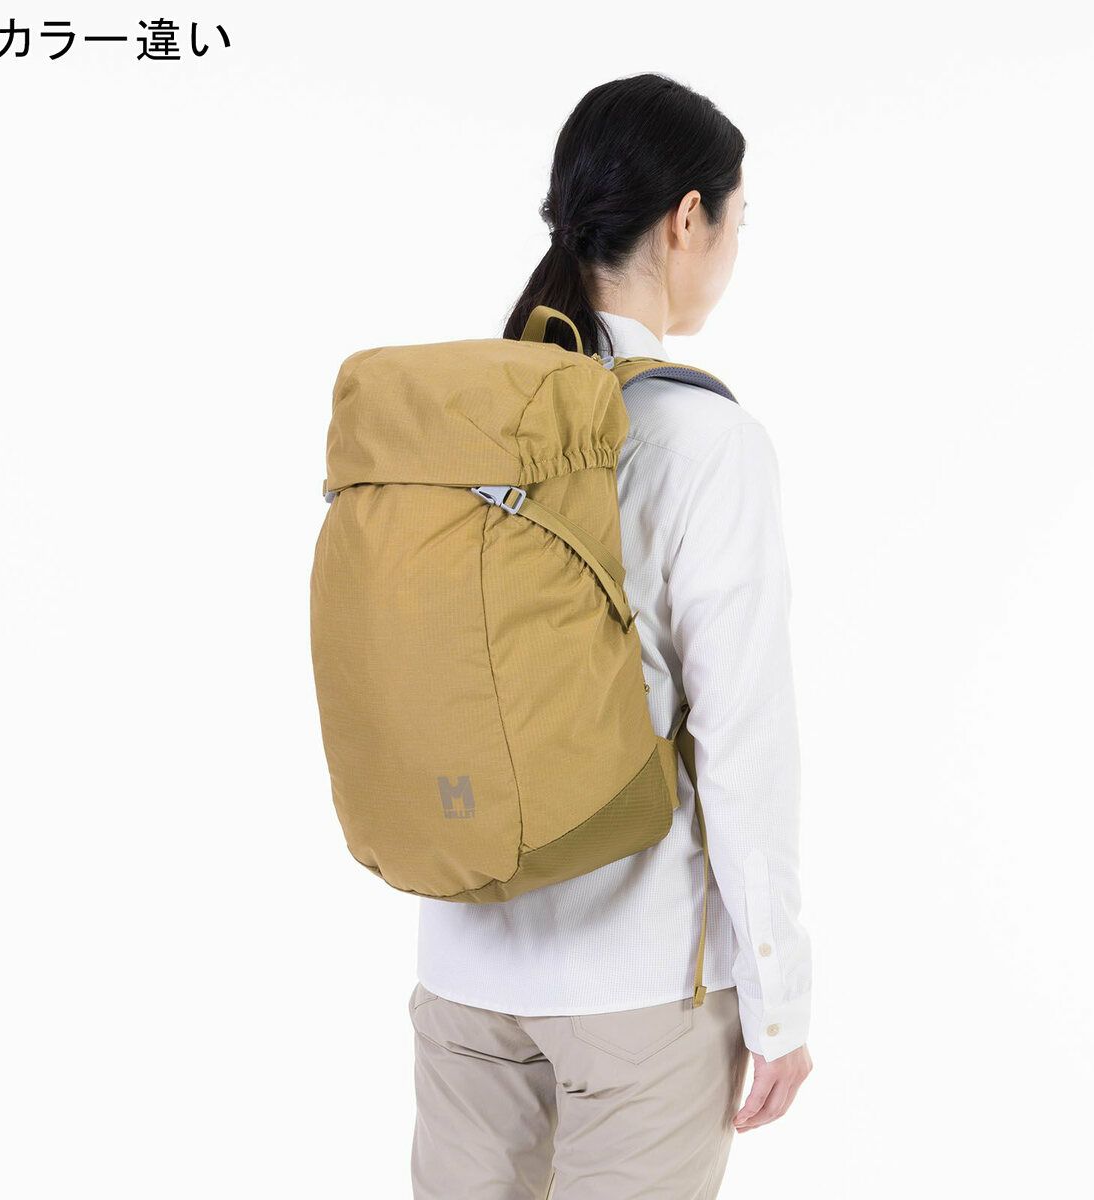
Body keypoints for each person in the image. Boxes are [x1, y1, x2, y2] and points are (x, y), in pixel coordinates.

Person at [409, 73, 813, 1199]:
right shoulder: (706, 440)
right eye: (737, 218)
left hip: (463, 970)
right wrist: (779, 999)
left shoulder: (468, 419)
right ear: (688, 218)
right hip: (638, 987)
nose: (734, 245)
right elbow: (742, 745)